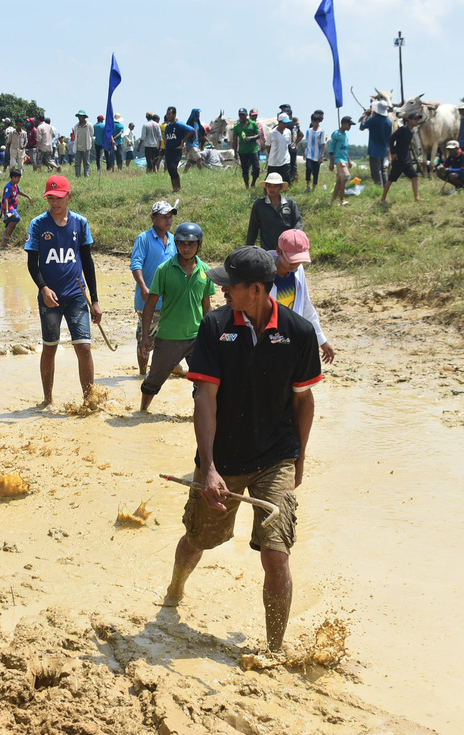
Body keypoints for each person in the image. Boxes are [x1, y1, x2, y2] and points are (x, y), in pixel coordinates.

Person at [161, 245, 321, 653]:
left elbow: (304, 400)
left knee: (276, 554)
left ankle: (273, 649)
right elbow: (205, 398)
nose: (223, 290)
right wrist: (209, 467)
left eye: (230, 285)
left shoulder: (299, 333)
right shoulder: (214, 328)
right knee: (198, 538)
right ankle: (174, 592)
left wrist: (299, 458)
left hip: (275, 457)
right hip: (224, 457)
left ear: (256, 289)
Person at [24, 175, 102, 405]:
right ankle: (47, 400)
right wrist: (44, 288)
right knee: (50, 347)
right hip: (50, 298)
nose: (54, 203)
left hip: (77, 295)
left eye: (58, 198)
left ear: (68, 197)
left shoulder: (80, 223)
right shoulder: (38, 224)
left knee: (84, 347)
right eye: (50, 198)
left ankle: (89, 400)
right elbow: (32, 263)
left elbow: (88, 262)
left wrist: (95, 300)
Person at [138, 222, 215, 411]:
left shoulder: (206, 270)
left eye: (191, 244)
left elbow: (207, 306)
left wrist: (211, 336)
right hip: (169, 337)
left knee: (204, 381)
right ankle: (142, 411)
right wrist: (145, 338)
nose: (186, 248)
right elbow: (150, 305)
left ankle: (202, 417)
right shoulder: (164, 269)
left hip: (197, 337)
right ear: (176, 244)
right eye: (181, 243)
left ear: (199, 244)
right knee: (153, 380)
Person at [271, 229, 335, 364]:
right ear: (278, 252)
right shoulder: (262, 273)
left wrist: (321, 340)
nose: (295, 264)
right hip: (269, 344)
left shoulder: (297, 270)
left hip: (291, 342)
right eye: (291, 260)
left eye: (299, 260)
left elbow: (306, 306)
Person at [130, 201, 178, 374]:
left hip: (170, 301)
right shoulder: (144, 238)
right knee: (145, 338)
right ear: (153, 218)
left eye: (170, 217)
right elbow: (136, 264)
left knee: (168, 338)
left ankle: (167, 368)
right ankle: (142, 374)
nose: (168, 220)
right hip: (148, 299)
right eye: (164, 217)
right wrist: (143, 287)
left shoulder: (173, 240)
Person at [246, 172, 302, 250]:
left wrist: (296, 242)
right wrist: (248, 248)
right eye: (269, 186)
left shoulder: (290, 204)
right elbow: (253, 228)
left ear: (280, 187)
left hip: (287, 249)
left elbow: (297, 224)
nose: (272, 189)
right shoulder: (259, 205)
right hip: (268, 250)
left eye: (275, 186)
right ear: (266, 187)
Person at [381, 112, 423, 203]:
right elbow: (391, 139)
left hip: (406, 158)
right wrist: (393, 152)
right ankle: (383, 198)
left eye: (417, 120)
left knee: (414, 176)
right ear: (409, 120)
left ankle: (417, 197)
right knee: (391, 179)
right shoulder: (403, 129)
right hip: (399, 158)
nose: (417, 121)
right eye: (415, 119)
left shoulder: (412, 131)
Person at [360, 100, 393, 188]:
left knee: (375, 170)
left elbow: (362, 127)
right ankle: (386, 187)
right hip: (384, 148)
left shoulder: (374, 120)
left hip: (375, 149)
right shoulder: (388, 122)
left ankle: (379, 187)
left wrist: (365, 116)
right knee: (382, 169)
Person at [163, 107, 195, 193]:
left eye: (169, 114)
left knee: (173, 168)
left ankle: (178, 188)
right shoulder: (168, 126)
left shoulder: (179, 124)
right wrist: (166, 144)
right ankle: (174, 188)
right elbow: (165, 136)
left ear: (174, 115)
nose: (168, 115)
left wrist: (183, 141)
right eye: (167, 114)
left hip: (176, 150)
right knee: (170, 170)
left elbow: (192, 130)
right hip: (168, 150)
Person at [0, 170, 32, 246]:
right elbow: (6, 199)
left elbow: (19, 192)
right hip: (9, 207)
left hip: (13, 207)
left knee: (11, 226)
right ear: (13, 177)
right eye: (18, 178)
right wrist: (7, 211)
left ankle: (4, 243)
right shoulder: (8, 187)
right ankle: (5, 232)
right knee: (17, 218)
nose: (19, 180)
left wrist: (28, 196)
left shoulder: (15, 185)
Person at [326, 116, 354, 206]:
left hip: (344, 159)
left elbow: (345, 149)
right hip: (338, 159)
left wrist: (349, 161)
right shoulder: (336, 134)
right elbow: (331, 148)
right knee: (346, 176)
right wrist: (331, 162)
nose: (350, 127)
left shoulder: (346, 135)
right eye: (349, 125)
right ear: (344, 124)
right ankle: (342, 199)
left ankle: (333, 200)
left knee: (339, 180)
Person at [233, 108, 261, 188]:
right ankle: (247, 185)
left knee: (256, 168)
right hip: (243, 151)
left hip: (253, 150)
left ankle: (253, 183)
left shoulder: (253, 124)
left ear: (246, 115)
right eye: (240, 115)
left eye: (243, 115)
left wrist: (251, 138)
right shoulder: (237, 127)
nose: (241, 116)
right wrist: (235, 152)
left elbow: (258, 135)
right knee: (244, 169)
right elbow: (235, 140)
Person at [265, 114, 294, 182]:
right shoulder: (271, 133)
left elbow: (288, 144)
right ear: (279, 122)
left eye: (286, 123)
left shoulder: (288, 132)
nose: (285, 125)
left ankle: (284, 192)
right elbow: (268, 146)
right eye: (284, 123)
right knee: (270, 179)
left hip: (285, 160)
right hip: (274, 161)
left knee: (285, 180)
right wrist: (270, 155)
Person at [304, 110, 326, 192]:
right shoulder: (308, 131)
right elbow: (307, 142)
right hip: (309, 155)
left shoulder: (321, 132)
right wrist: (305, 152)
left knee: (316, 172)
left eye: (316, 122)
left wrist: (322, 156)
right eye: (313, 121)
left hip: (317, 155)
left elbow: (323, 144)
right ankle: (308, 186)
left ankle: (314, 187)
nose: (315, 123)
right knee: (308, 169)